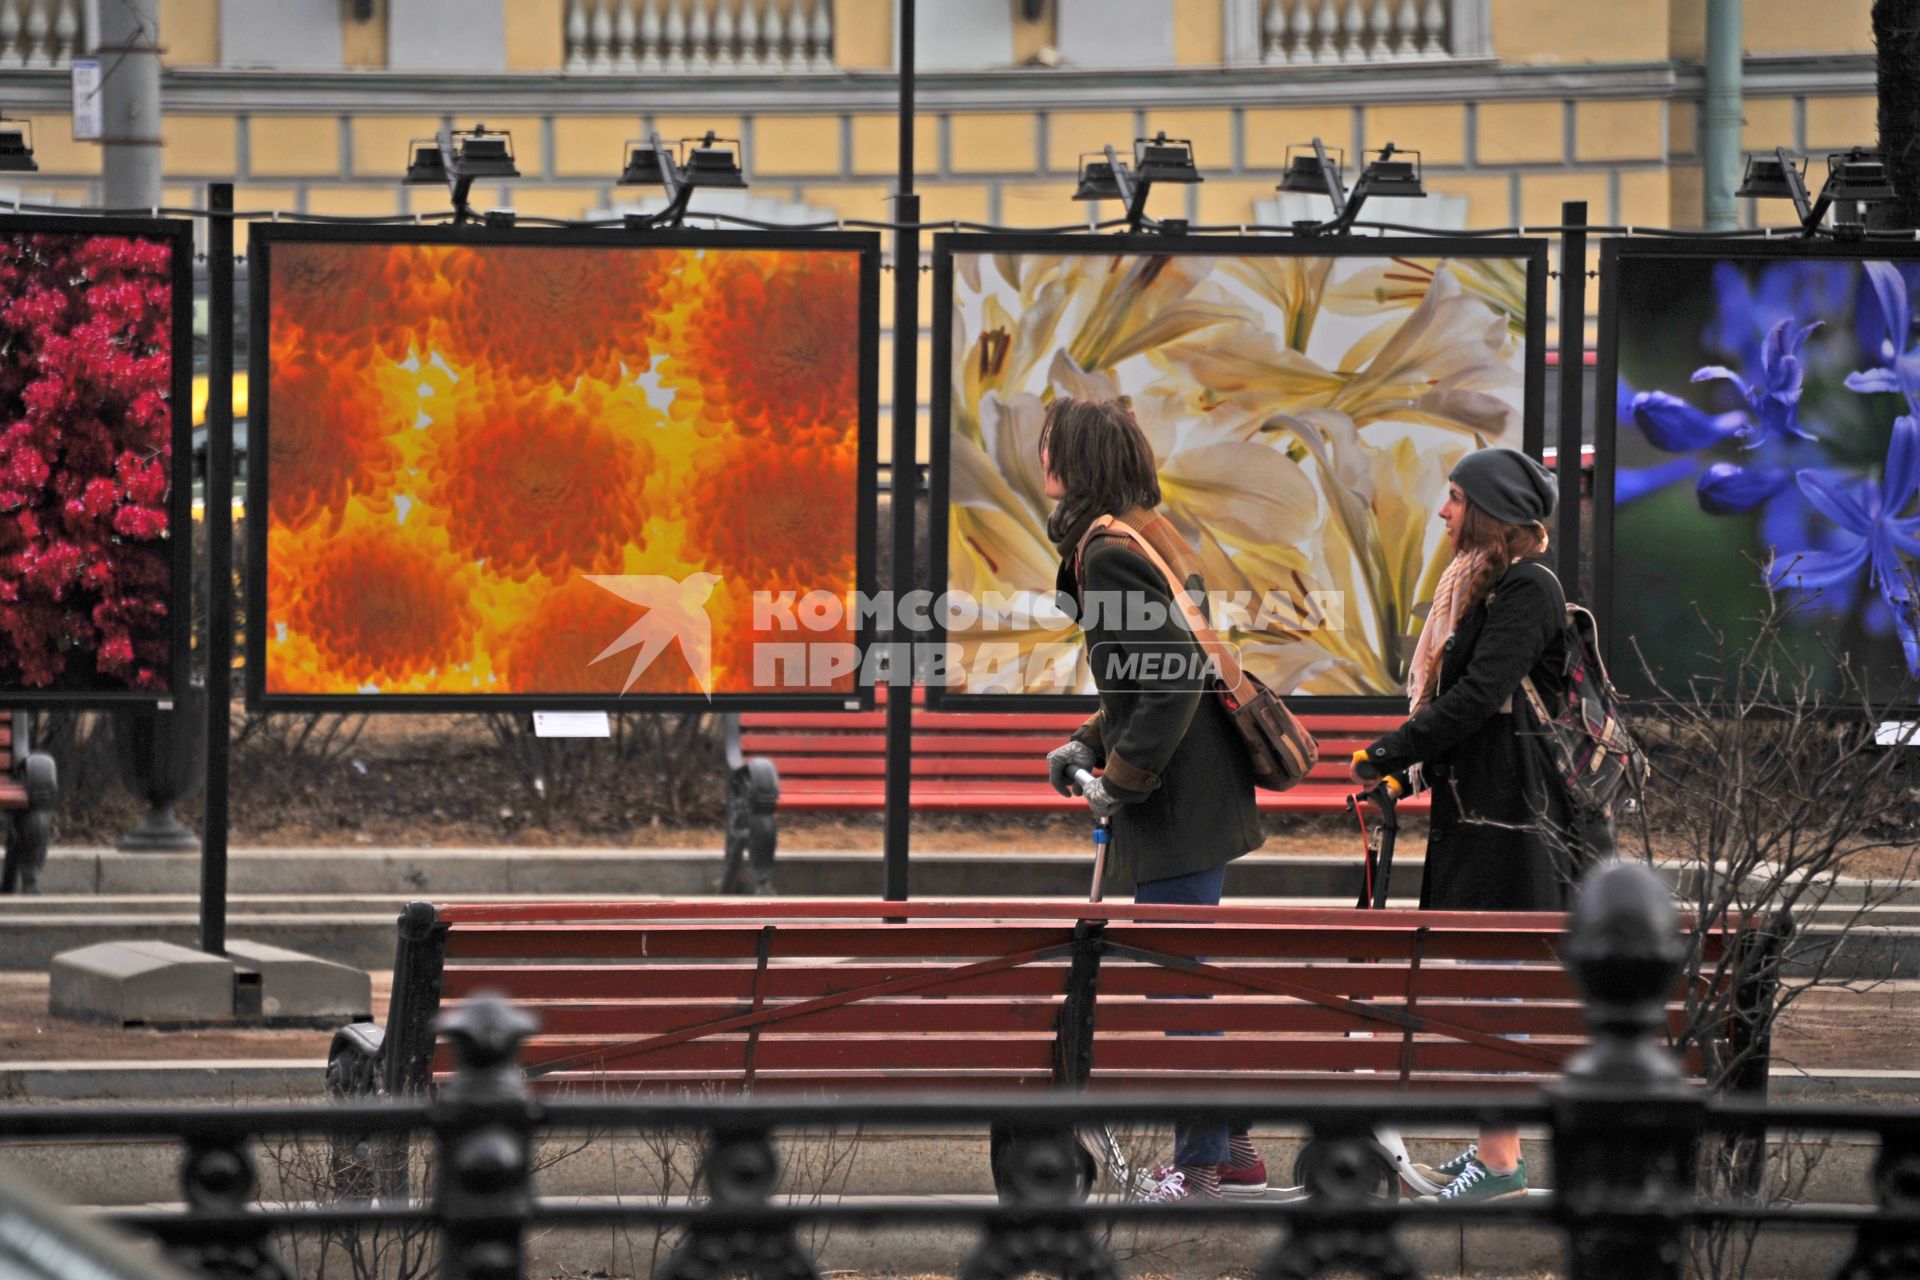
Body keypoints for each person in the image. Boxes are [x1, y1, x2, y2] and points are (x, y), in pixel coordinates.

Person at [1037, 396, 1267, 1203]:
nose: (1042, 463)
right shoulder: (1144, 534)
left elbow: (1168, 686)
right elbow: (1146, 684)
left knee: (1176, 979)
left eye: (1050, 449)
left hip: (1177, 800)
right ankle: (1233, 1150)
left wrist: (1119, 781)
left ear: (1075, 464)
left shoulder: (1108, 552)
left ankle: (1198, 1165)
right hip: (1198, 794)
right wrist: (1089, 743)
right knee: (1186, 973)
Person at [1350, 445, 1574, 1203]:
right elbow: (1465, 709)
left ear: (1486, 511)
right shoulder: (1484, 587)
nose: (1443, 512)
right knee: (1487, 985)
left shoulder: (1528, 590)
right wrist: (1407, 767)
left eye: (1453, 499)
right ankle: (1493, 1149)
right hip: (1479, 812)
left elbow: (1477, 698)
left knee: (1497, 989)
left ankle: (1503, 1161)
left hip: (1512, 821)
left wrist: (1387, 747)